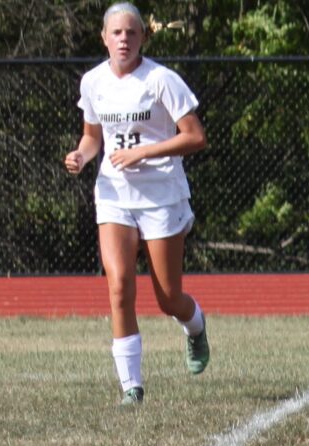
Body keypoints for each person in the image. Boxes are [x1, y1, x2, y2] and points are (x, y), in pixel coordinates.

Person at [64, 2, 209, 404]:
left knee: (167, 298)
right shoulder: (93, 82)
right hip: (114, 196)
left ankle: (195, 326)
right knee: (119, 284)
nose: (123, 39)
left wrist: (144, 153)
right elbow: (93, 137)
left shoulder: (161, 80)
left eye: (131, 32)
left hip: (161, 195)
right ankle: (132, 386)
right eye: (116, 33)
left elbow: (195, 137)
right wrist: (81, 155)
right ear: (104, 38)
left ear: (143, 36)